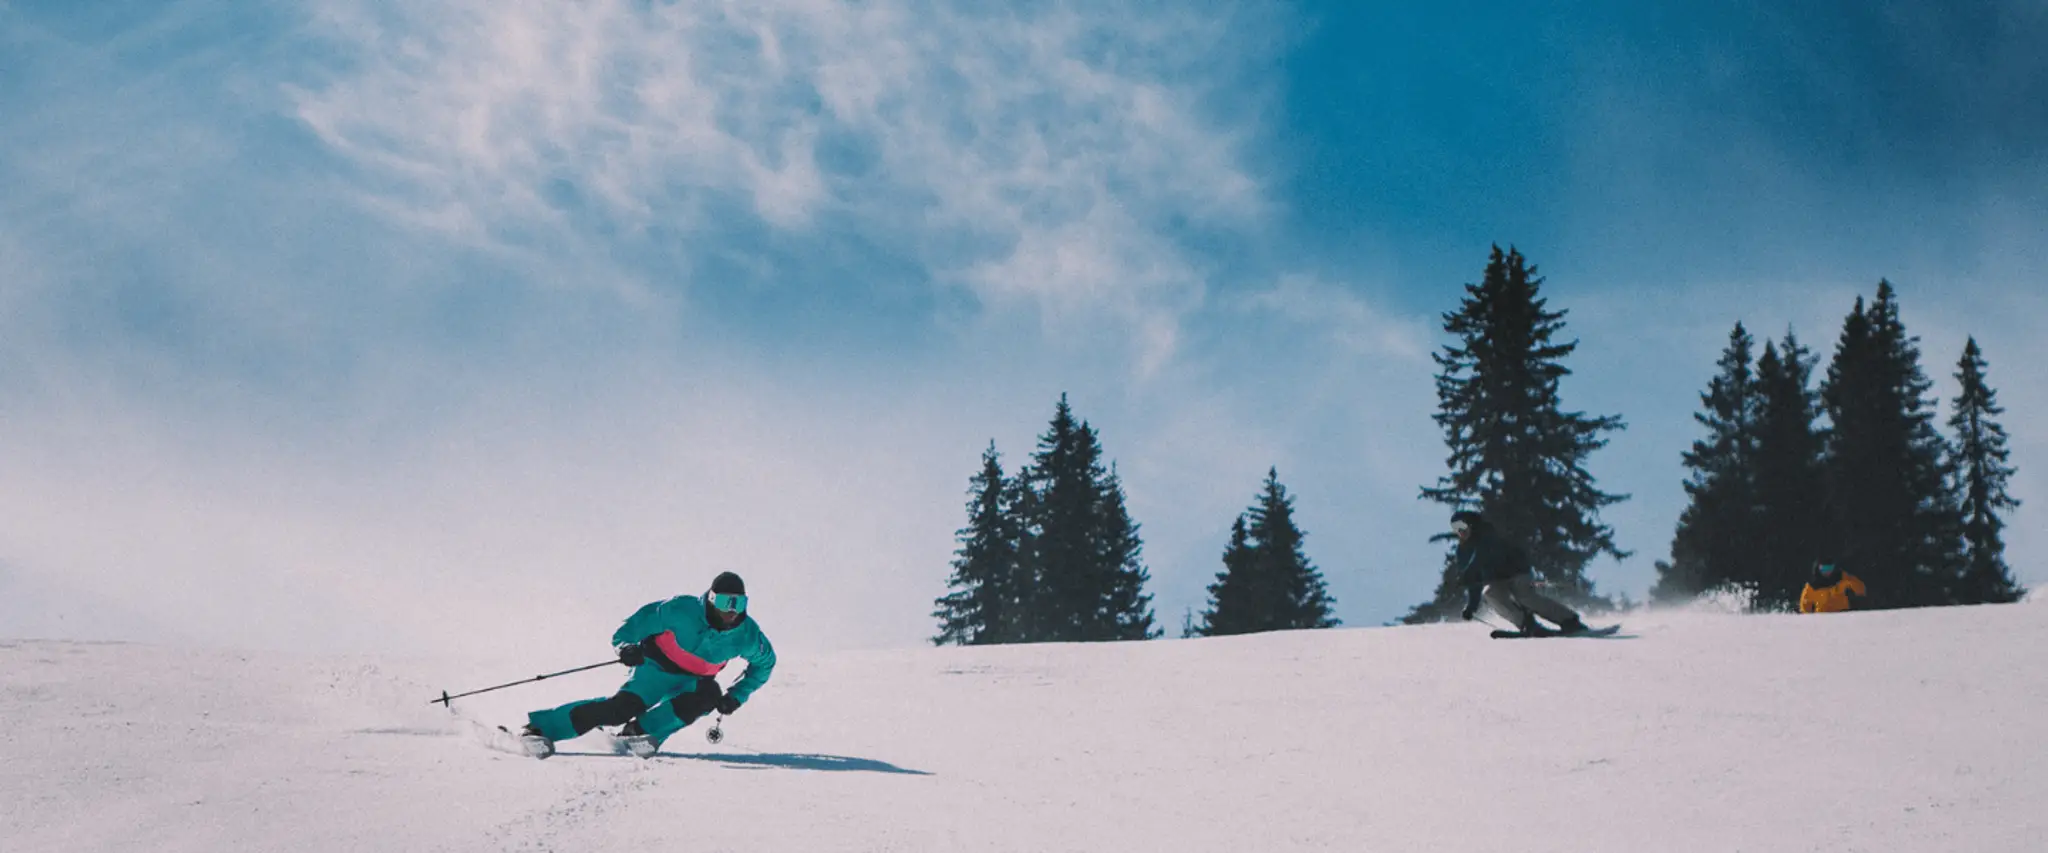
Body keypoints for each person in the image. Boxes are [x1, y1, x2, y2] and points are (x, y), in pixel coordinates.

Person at [519, 571, 776, 759]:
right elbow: (632, 627)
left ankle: (637, 732)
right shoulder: (679, 610)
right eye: (724, 602)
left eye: (738, 603)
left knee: (709, 696)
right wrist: (626, 648)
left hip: (694, 682)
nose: (731, 611)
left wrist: (737, 696)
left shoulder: (747, 634)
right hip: (654, 670)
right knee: (619, 709)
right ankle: (540, 728)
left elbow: (765, 664)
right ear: (710, 599)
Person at [1452, 510, 1593, 636]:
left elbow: (1482, 556)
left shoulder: (1487, 533)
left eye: (1462, 526)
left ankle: (1568, 620)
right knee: (1490, 594)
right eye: (1456, 529)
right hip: (1496, 579)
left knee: (1525, 596)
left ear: (1471, 524)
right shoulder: (1463, 551)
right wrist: (1471, 606)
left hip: (1516, 570)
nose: (1460, 532)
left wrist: (1469, 571)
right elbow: (1473, 580)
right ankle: (1527, 624)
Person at [1799, 559, 1867, 613]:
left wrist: (1851, 586)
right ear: (1818, 569)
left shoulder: (1841, 577)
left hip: (1842, 614)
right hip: (1822, 617)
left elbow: (1860, 587)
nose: (1827, 572)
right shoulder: (1813, 585)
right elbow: (1804, 604)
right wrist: (1809, 615)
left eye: (1829, 568)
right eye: (1824, 569)